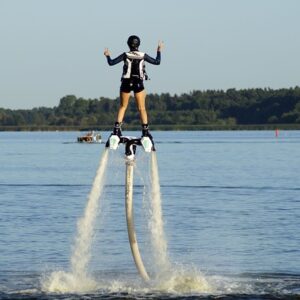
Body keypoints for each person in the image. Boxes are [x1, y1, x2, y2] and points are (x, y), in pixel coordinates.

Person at [104, 35, 163, 141]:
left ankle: (116, 130)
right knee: (142, 108)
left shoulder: (125, 55)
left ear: (128, 44)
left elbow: (111, 63)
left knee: (123, 107)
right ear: (138, 44)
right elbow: (157, 62)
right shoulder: (143, 55)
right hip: (138, 83)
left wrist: (107, 55)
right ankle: (145, 133)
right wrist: (159, 51)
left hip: (126, 82)